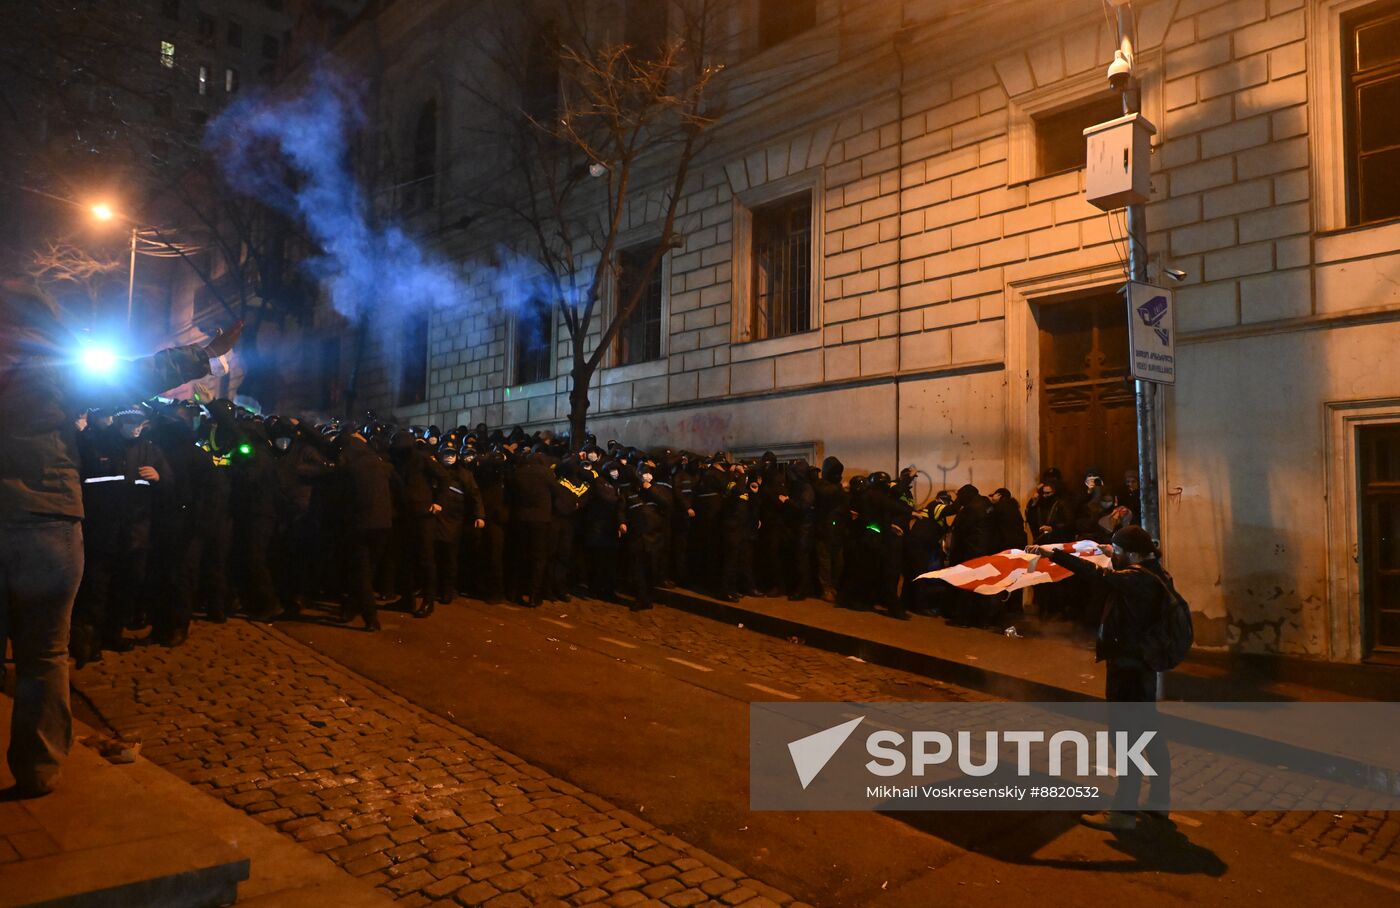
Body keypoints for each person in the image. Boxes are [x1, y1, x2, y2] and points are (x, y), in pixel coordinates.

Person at [0, 280, 237, 798]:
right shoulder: (55, 369)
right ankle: (38, 769)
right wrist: (202, 354)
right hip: (48, 520)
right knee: (44, 654)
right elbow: (136, 374)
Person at [1028, 525, 1173, 831]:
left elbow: (1096, 575)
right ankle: (1160, 802)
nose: (1113, 556)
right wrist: (1110, 552)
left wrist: (1053, 554)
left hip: (1127, 667)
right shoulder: (1156, 572)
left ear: (1132, 554)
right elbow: (1114, 568)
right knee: (1149, 733)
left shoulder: (1134, 580)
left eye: (1118, 551)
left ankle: (1123, 812)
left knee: (1126, 738)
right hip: (1143, 666)